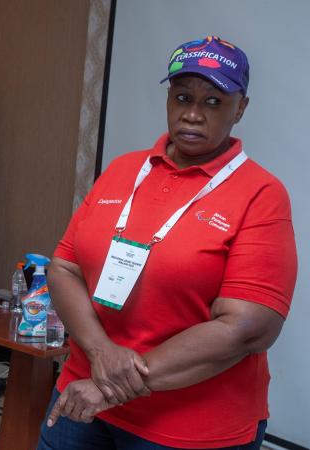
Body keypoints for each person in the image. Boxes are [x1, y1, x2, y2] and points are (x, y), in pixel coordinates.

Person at [38, 36, 297, 449]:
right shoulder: (124, 170)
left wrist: (109, 387)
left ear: (241, 108)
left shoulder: (261, 194)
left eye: (213, 102)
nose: (193, 114)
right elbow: (64, 267)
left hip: (187, 427)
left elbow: (248, 328)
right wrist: (101, 351)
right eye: (182, 97)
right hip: (80, 397)